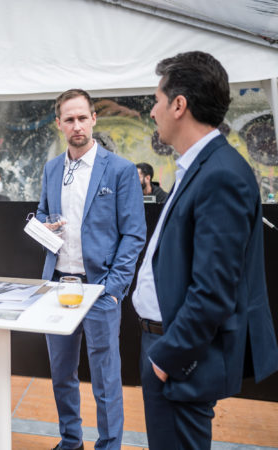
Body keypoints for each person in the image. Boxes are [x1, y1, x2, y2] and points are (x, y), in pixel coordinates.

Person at [132, 51, 278, 449]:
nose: (152, 111)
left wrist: (167, 359)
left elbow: (214, 291)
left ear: (179, 105)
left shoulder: (222, 174)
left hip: (179, 358)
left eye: (157, 100)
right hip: (166, 347)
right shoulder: (201, 166)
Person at [37, 89, 146, 450]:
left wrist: (114, 289)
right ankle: (71, 441)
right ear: (59, 124)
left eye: (83, 118)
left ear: (94, 119)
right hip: (58, 286)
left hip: (99, 289)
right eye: (69, 119)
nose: (77, 125)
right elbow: (43, 212)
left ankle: (109, 445)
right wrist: (42, 224)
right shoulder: (52, 168)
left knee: (105, 378)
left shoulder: (120, 170)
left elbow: (134, 234)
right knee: (61, 374)